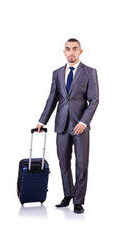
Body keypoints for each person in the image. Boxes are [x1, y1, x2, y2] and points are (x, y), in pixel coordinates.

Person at [36, 38, 99, 214]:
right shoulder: (57, 73)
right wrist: (42, 121)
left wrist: (84, 122)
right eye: (68, 49)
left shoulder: (90, 72)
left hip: (80, 126)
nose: (71, 52)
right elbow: (52, 98)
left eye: (74, 49)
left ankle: (78, 201)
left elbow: (94, 100)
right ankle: (68, 194)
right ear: (64, 52)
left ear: (80, 52)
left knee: (81, 164)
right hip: (61, 125)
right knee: (63, 162)